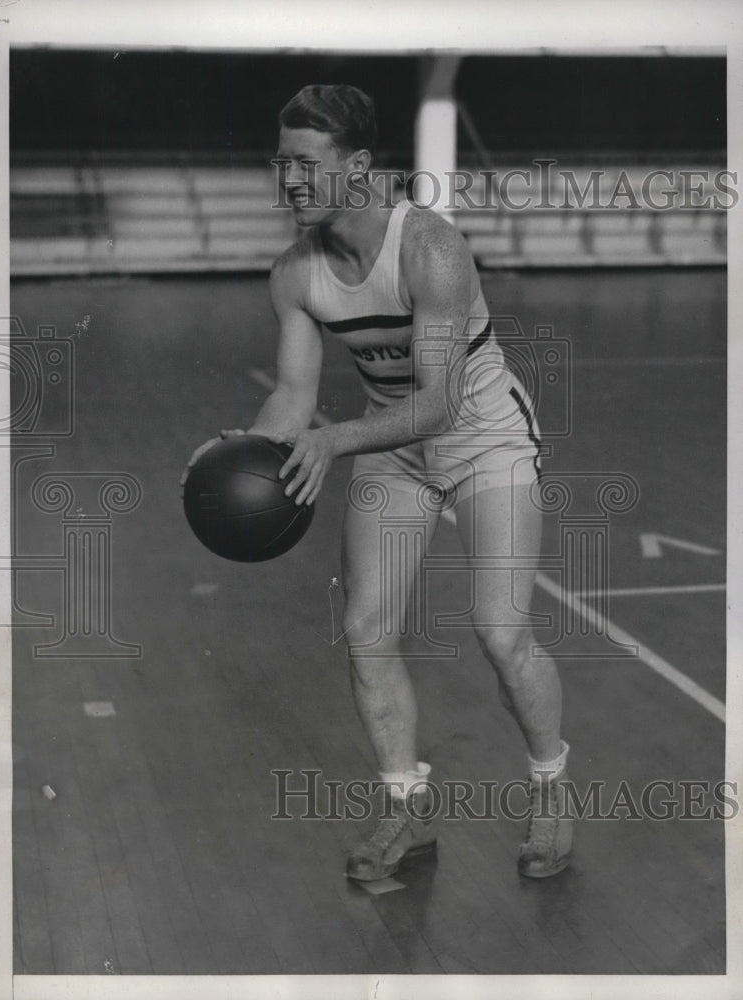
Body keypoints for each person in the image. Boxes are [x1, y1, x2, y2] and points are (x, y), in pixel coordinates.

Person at [182, 83, 572, 881]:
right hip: (391, 446)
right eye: (278, 162)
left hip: (481, 436)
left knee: (502, 633)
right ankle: (408, 811)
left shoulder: (429, 247)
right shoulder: (295, 273)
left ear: (358, 166)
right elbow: (292, 399)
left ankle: (551, 786)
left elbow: (438, 402)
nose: (286, 179)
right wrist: (243, 445)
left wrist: (336, 440)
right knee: (366, 629)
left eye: (303, 163)